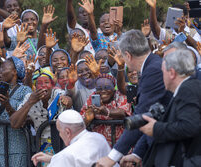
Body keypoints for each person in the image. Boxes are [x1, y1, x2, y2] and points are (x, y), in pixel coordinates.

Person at [96, 29, 172, 167]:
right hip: (157, 146)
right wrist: (137, 153)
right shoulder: (152, 65)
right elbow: (150, 117)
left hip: (170, 150)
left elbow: (141, 116)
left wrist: (111, 158)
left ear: (128, 56)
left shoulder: (153, 69)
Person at [137, 49, 201, 166]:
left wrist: (156, 129)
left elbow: (190, 126)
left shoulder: (188, 89)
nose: (161, 77)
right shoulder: (190, 87)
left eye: (163, 72)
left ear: (171, 73)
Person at [31, 109, 114, 167]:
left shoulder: (65, 156)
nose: (59, 135)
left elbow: (70, 157)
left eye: (59, 131)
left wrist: (56, 159)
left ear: (67, 132)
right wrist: (52, 158)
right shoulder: (99, 138)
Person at [81, 74, 131, 146]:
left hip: (120, 145)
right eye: (99, 88)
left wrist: (106, 111)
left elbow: (123, 113)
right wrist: (87, 119)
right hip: (99, 145)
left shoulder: (120, 95)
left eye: (107, 87)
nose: (103, 91)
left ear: (114, 88)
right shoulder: (92, 97)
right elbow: (81, 122)